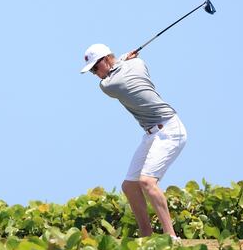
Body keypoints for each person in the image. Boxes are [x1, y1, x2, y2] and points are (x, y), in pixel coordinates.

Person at [80, 43, 187, 239]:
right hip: (152, 133)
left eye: (96, 68)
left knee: (147, 182)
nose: (96, 74)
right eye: (92, 71)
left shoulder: (109, 86)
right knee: (129, 186)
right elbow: (127, 65)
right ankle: (146, 235)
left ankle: (171, 237)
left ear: (105, 60)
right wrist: (123, 60)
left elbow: (113, 77)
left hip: (170, 129)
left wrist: (122, 59)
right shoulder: (138, 63)